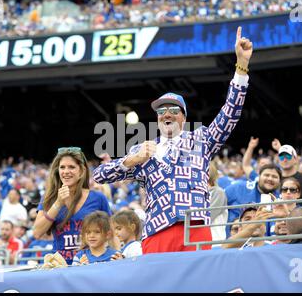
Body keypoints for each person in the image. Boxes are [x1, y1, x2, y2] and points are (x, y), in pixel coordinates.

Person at [94, 27, 253, 254]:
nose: (166, 114)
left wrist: (241, 65)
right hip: (157, 232)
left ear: (184, 116)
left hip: (195, 227)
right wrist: (131, 160)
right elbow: (99, 175)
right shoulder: (143, 150)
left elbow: (231, 113)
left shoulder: (201, 139)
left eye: (173, 110)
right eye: (161, 111)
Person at [33, 147, 111, 265]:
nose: (66, 171)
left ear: (82, 171)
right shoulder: (49, 198)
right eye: (62, 167)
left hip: (90, 265)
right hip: (60, 267)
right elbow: (37, 233)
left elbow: (111, 233)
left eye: (72, 167)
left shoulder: (98, 198)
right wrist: (58, 203)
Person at [223, 163, 282, 238]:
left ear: (280, 182)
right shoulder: (239, 188)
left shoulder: (281, 201)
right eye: (266, 175)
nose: (270, 178)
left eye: (274, 176)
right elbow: (218, 203)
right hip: (233, 241)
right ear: (259, 177)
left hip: (265, 244)